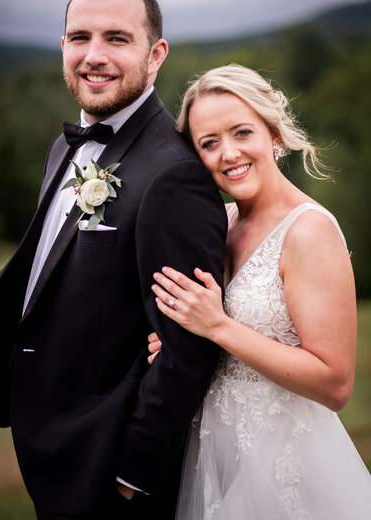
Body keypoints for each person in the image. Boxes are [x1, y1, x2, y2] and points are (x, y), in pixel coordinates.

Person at [0, 0, 228, 520]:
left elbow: (188, 346)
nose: (94, 56)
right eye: (79, 37)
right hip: (51, 446)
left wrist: (130, 477)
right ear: (62, 46)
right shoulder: (61, 150)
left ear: (155, 53)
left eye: (117, 38)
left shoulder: (174, 176)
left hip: (107, 468)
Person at [148, 64, 371, 519]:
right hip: (213, 455)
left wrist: (216, 327)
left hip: (286, 468)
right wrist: (176, 344)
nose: (228, 153)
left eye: (242, 132)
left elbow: (335, 383)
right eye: (208, 143)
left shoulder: (308, 231)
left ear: (272, 133)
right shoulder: (222, 221)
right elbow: (208, 338)